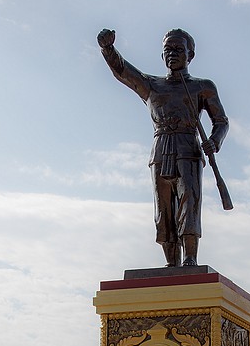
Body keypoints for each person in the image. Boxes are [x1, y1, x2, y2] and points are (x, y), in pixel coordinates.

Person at [97, 28, 229, 267]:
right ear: (162, 55)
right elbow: (123, 71)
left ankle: (190, 258)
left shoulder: (202, 87)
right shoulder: (151, 85)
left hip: (188, 150)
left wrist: (215, 140)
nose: (172, 54)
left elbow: (221, 121)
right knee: (163, 210)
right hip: (160, 150)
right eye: (168, 50)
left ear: (190, 55)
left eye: (178, 49)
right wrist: (108, 49)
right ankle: (171, 262)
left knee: (189, 203)